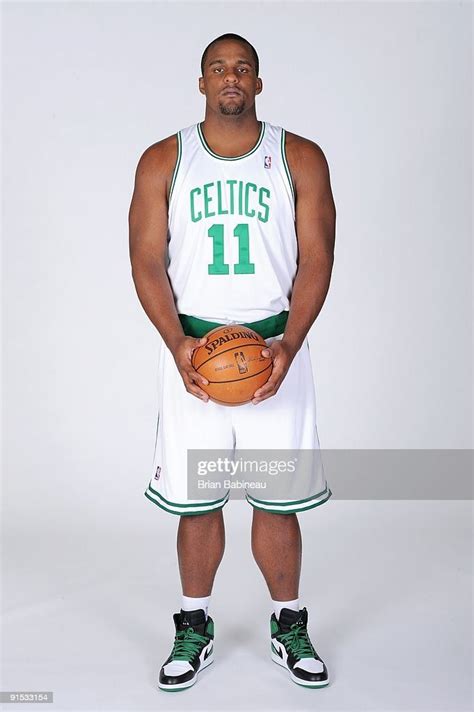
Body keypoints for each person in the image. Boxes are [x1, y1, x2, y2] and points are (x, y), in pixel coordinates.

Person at [128, 32, 336, 691]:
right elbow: (145, 260)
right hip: (194, 352)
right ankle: (194, 625)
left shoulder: (298, 156)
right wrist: (178, 345)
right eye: (219, 68)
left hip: (276, 346)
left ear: (259, 82)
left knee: (278, 501)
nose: (231, 78)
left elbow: (318, 256)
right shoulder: (165, 159)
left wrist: (290, 344)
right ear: (201, 83)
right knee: (197, 502)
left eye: (243, 68)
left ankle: (288, 622)